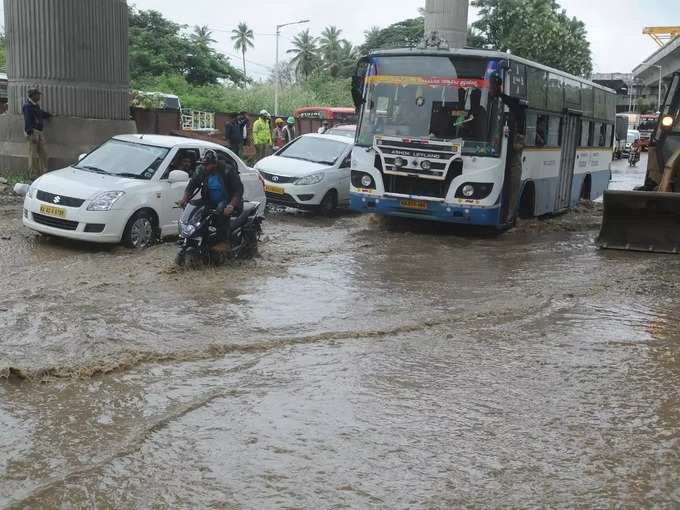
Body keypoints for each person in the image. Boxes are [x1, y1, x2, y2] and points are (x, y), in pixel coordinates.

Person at [178, 149, 244, 253]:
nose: (205, 167)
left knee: (221, 208)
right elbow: (192, 185)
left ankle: (224, 241)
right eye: (204, 164)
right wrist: (184, 199)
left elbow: (238, 191)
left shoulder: (228, 171)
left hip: (227, 201)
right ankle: (198, 236)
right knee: (194, 206)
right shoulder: (202, 170)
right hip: (209, 200)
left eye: (207, 165)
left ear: (215, 163)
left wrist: (231, 205)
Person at [22, 88, 52, 178]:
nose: (39, 96)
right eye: (37, 94)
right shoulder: (27, 106)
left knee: (43, 153)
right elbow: (27, 121)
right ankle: (33, 175)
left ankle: (44, 172)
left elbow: (40, 113)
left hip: (39, 132)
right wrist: (31, 134)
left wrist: (48, 115)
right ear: (32, 95)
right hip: (33, 132)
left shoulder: (36, 106)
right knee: (33, 154)